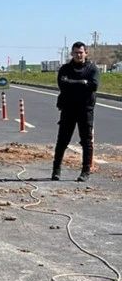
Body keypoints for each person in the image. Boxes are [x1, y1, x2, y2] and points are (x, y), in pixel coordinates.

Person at [52, 42, 99, 182]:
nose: (78, 55)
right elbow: (62, 84)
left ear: (86, 53)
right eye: (76, 52)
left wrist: (74, 84)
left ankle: (85, 171)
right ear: (72, 54)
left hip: (85, 110)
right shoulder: (65, 69)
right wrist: (83, 83)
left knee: (86, 142)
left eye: (81, 52)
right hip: (68, 109)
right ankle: (56, 170)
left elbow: (94, 85)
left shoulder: (92, 69)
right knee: (62, 141)